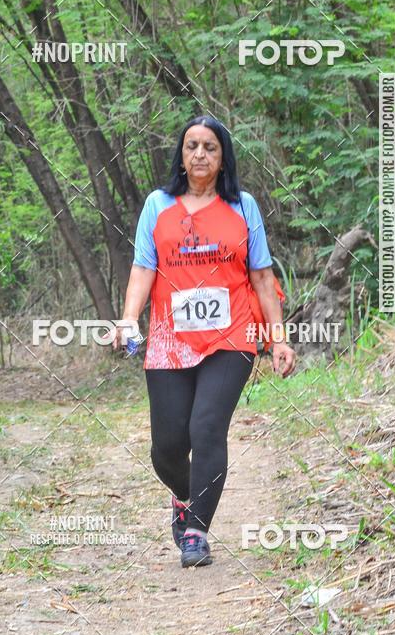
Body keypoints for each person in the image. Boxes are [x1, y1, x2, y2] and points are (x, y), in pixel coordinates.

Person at [115, 116, 296, 568]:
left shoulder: (243, 206)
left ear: (222, 157)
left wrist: (278, 339)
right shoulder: (158, 205)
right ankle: (184, 495)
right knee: (167, 446)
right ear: (181, 153)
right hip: (169, 339)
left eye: (210, 147)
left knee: (207, 427)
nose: (200, 154)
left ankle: (196, 529)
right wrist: (127, 320)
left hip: (231, 335)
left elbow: (261, 275)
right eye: (192, 145)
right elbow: (143, 269)